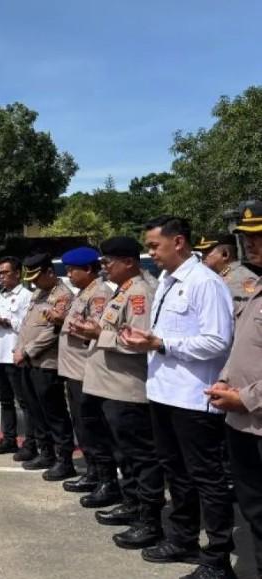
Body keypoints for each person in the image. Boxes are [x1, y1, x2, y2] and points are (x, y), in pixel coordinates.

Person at [122, 215, 235, 578]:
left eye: (155, 245)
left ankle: (217, 557)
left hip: (193, 397)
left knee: (206, 477)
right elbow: (163, 334)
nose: (150, 252)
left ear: (180, 242)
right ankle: (183, 538)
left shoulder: (205, 283)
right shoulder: (169, 282)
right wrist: (147, 341)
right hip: (163, 392)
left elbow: (218, 341)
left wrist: (162, 343)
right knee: (177, 473)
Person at [68, 237, 164, 550]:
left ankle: (149, 519)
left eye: (109, 262)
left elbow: (137, 340)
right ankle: (132, 502)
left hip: (126, 387)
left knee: (139, 457)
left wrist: (99, 334)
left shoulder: (139, 293)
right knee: (125, 454)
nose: (104, 267)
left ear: (129, 262)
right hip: (109, 386)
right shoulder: (123, 291)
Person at [205, 200, 262, 579]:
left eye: (258, 236)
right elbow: (240, 343)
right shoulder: (257, 287)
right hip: (242, 422)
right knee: (255, 510)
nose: (250, 244)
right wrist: (226, 377)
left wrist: (247, 397)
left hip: (252, 412)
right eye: (246, 236)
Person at [14, 253, 76, 480]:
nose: (33, 282)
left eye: (36, 277)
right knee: (35, 410)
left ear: (50, 272)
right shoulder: (39, 293)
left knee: (55, 413)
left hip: (48, 362)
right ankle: (45, 452)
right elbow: (27, 325)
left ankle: (64, 459)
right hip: (28, 361)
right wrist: (19, 349)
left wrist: (28, 350)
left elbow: (52, 332)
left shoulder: (63, 296)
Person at [56, 247, 112, 494]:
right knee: (82, 425)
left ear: (89, 269)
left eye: (72, 270)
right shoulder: (82, 293)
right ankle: (92, 473)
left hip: (85, 370)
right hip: (73, 371)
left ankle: (106, 479)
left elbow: (95, 329)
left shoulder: (99, 293)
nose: (69, 275)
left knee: (93, 427)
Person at [0, 256, 34, 457]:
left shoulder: (26, 296)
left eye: (5, 272)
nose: (1, 276)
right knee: (5, 400)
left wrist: (6, 321)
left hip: (15, 355)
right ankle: (9, 438)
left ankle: (31, 442)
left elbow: (27, 326)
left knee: (24, 401)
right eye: (0, 273)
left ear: (17, 273)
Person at [197, 233, 258, 320]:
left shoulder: (243, 279)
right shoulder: (219, 277)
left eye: (206, 252)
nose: (203, 257)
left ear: (225, 254)